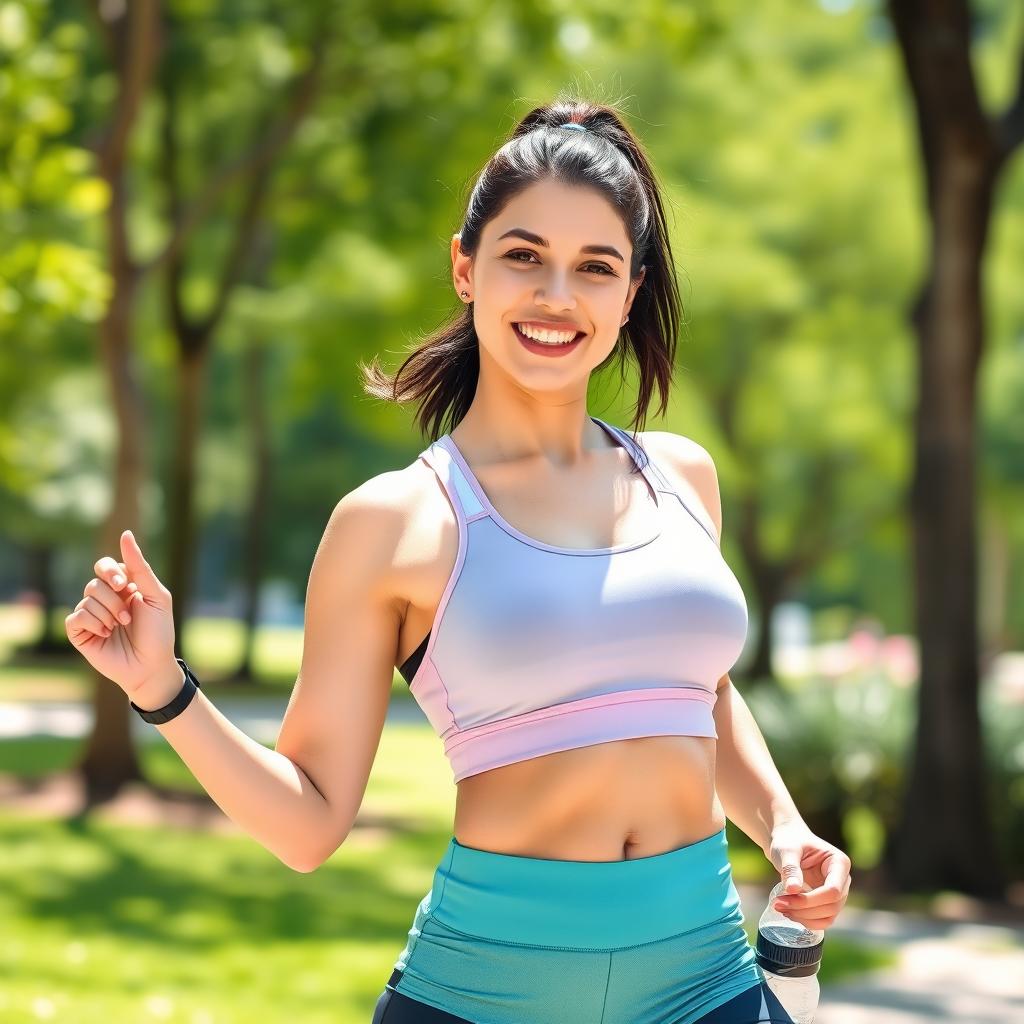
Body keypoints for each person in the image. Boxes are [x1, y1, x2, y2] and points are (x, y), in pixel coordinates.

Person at [65, 97, 852, 1024]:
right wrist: (164, 688)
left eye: (594, 268)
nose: (557, 296)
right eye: (524, 256)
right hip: (486, 998)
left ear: (628, 294)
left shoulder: (682, 478)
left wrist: (784, 827)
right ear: (465, 267)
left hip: (705, 988)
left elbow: (699, 690)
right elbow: (310, 822)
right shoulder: (395, 521)